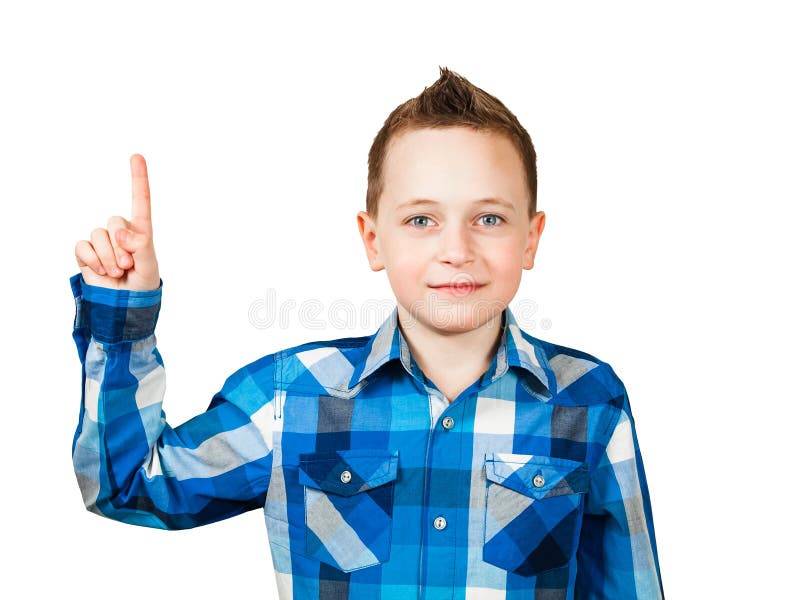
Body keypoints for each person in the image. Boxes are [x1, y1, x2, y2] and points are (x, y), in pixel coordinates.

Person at [70, 66, 664, 599]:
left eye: (488, 218)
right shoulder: (291, 397)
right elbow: (125, 485)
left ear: (531, 238)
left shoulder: (589, 400)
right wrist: (123, 320)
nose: (456, 250)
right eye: (421, 220)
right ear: (373, 238)